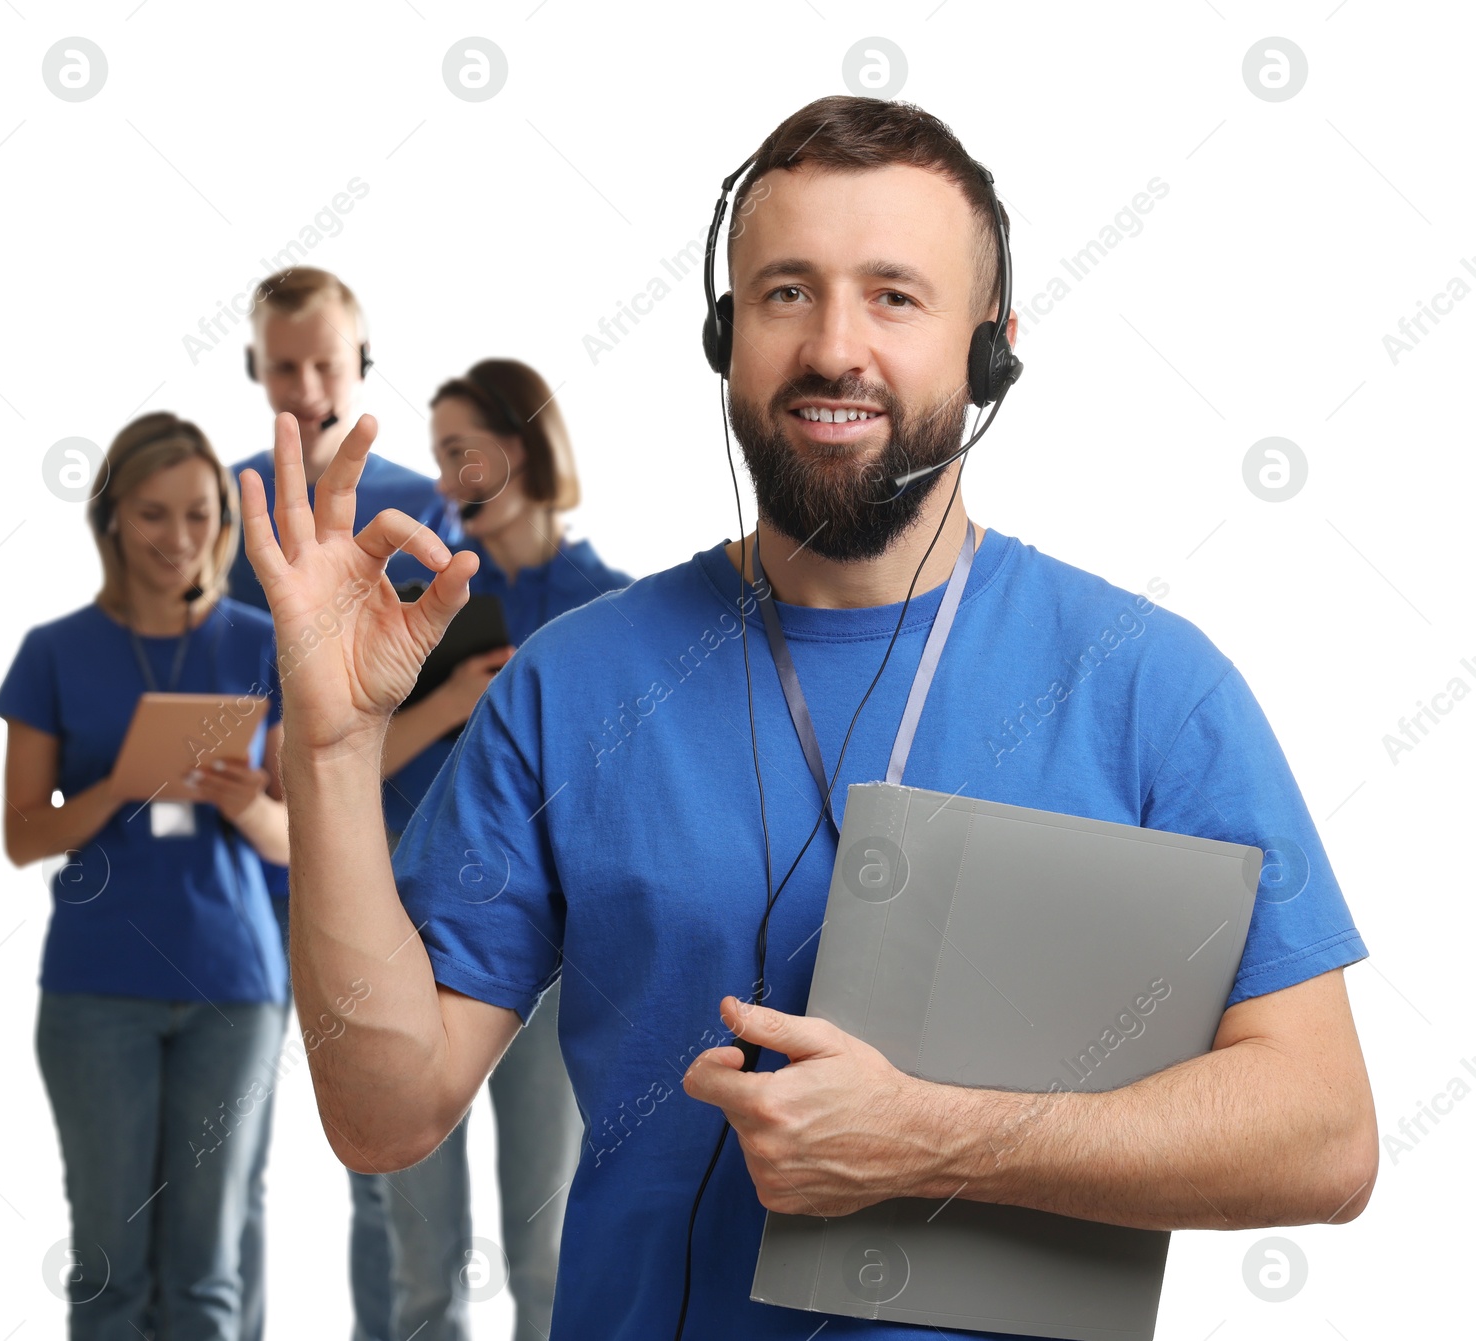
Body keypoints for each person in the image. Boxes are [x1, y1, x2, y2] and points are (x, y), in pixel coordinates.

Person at [242, 94, 1378, 1341]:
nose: (836, 346)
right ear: (726, 337)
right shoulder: (571, 684)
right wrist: (337, 747)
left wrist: (938, 1141)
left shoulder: (1151, 685)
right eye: (786, 293)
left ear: (988, 349)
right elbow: (383, 1112)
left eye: (894, 295)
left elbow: (1322, 1135)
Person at [0, 413, 290, 1341]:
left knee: (207, 1273)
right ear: (113, 517)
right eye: (153, 514)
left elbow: (296, 840)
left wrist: (245, 803)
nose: (178, 538)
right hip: (97, 992)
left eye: (199, 514)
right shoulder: (54, 651)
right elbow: (21, 834)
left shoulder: (259, 644)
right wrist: (117, 784)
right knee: (111, 1275)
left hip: (232, 991)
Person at [226, 266, 460, 1341]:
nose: (310, 385)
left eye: (328, 362)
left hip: (399, 847)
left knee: (388, 1139)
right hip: (254, 847)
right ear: (256, 372)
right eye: (287, 366)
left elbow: (460, 696)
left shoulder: (421, 507)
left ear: (362, 365)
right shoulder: (229, 510)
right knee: (238, 1131)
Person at [379, 360, 631, 1341]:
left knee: (544, 1247)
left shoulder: (610, 608)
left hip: (558, 947)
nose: (442, 481)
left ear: (517, 450)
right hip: (407, 943)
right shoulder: (415, 599)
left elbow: (626, 797)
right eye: (436, 456)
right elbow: (345, 769)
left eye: (458, 452)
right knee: (419, 1257)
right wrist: (451, 701)